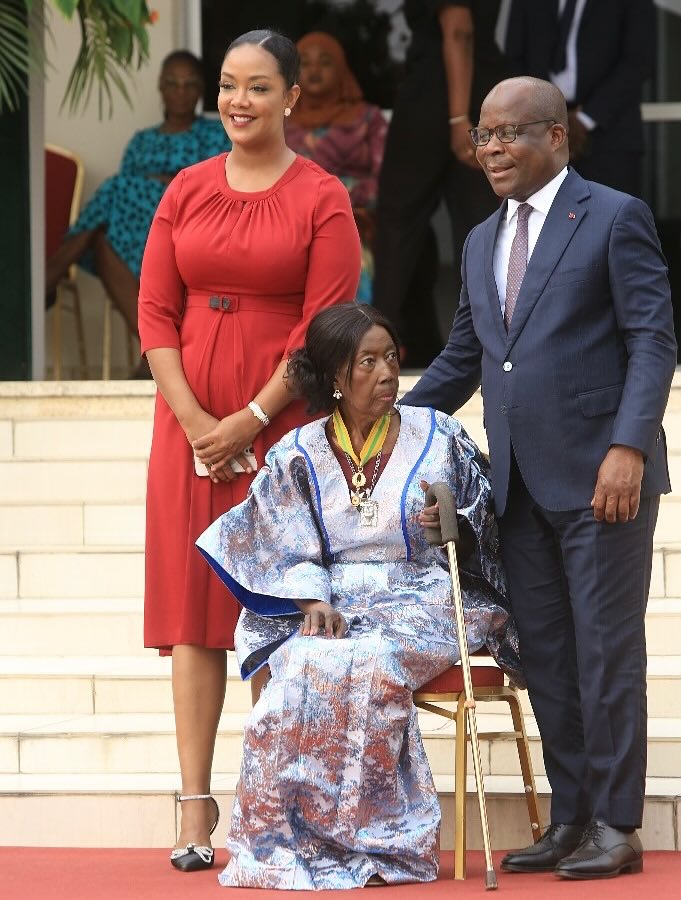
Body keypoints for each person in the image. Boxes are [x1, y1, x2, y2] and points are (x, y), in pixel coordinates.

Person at [402, 77, 676, 879]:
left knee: (606, 654)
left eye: (509, 134)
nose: (491, 149)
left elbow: (652, 341)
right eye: (484, 136)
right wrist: (389, 426)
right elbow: (467, 355)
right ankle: (571, 818)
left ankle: (617, 825)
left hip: (604, 482)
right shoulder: (482, 239)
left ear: (556, 137)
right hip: (518, 485)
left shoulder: (614, 216)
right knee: (549, 658)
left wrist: (629, 447)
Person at [195, 302, 522, 890]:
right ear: (334, 379)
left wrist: (454, 520)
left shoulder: (438, 433)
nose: (386, 373)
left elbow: (486, 519)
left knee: (367, 661)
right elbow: (284, 538)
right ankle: (289, 839)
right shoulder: (299, 452)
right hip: (334, 595)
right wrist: (308, 600)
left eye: (391, 357)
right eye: (366, 362)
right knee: (298, 663)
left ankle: (383, 840)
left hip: (423, 593)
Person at [137, 30, 361, 872]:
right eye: (229, 86)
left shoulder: (322, 196)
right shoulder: (186, 188)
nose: (238, 101)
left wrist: (250, 419)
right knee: (192, 618)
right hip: (185, 425)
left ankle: (266, 805)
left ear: (292, 99)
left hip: (278, 425)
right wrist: (197, 421)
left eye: (258, 88)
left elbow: (326, 326)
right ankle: (195, 811)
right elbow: (156, 311)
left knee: (269, 610)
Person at [46, 50, 229, 352]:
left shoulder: (214, 134)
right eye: (172, 83)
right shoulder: (141, 140)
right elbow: (126, 201)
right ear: (160, 87)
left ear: (201, 89)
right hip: (138, 230)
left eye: (189, 83)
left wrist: (167, 185)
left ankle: (53, 271)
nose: (180, 91)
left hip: (190, 220)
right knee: (105, 239)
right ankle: (154, 352)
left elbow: (218, 182)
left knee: (115, 188)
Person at [372, 1, 509, 366]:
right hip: (473, 93)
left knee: (398, 221)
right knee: (482, 224)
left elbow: (458, 29)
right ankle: (495, 348)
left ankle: (375, 349)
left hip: (440, 98)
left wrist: (457, 116)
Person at [504, 0, 656, 199]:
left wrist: (584, 120)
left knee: (612, 224)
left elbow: (639, 61)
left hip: (610, 135)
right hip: (540, 135)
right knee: (544, 226)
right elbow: (513, 58)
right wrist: (546, 117)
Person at [285, 31, 389, 302]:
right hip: (287, 226)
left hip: (355, 223)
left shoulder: (368, 119)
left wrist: (328, 197)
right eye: (305, 63)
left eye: (325, 62)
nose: (314, 70)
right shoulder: (279, 120)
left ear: (341, 68)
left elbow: (387, 182)